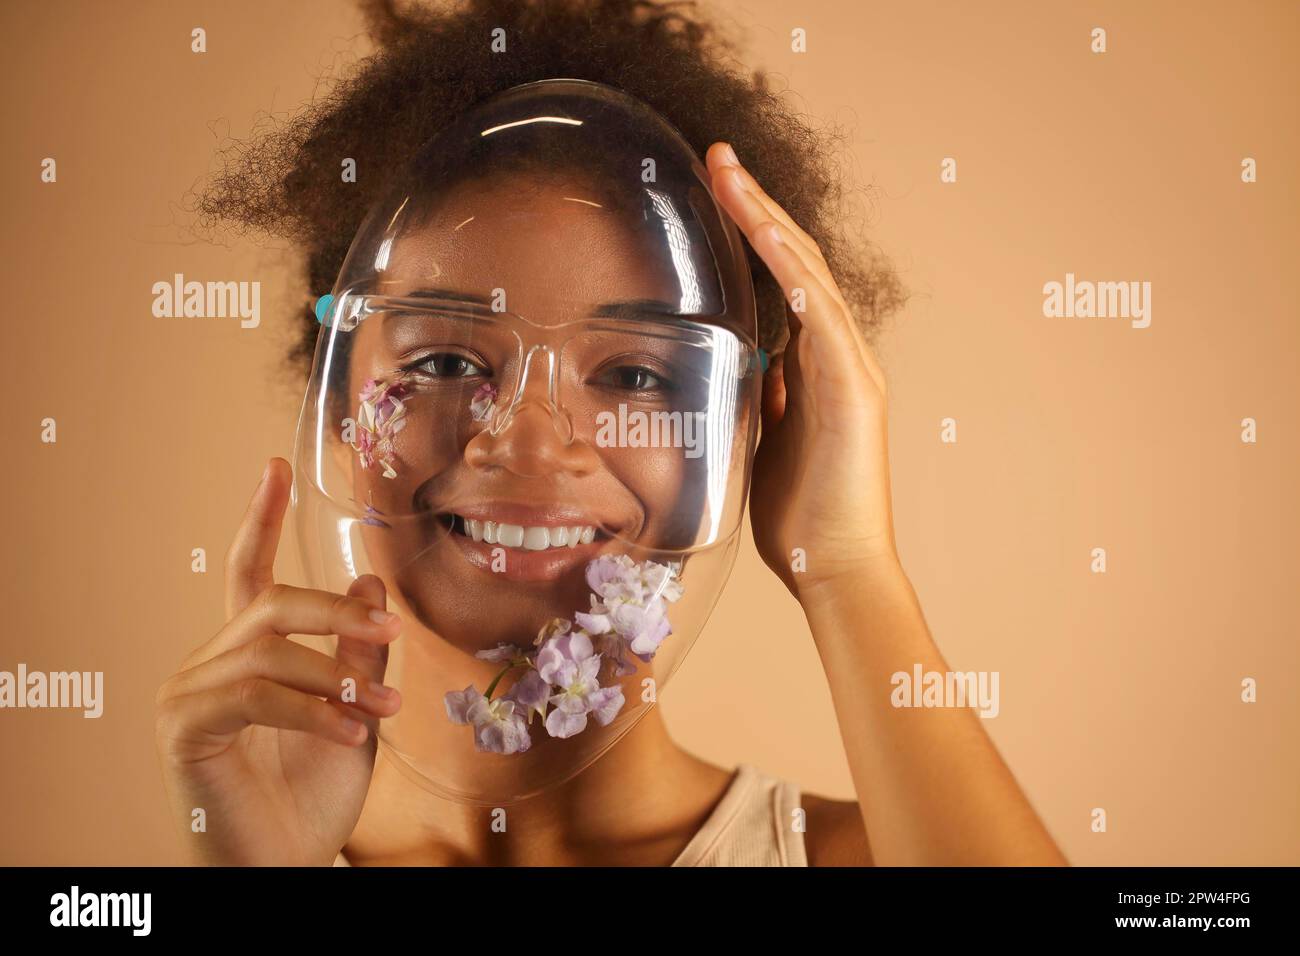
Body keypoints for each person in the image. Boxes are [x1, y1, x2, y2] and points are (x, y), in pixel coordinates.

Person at [155, 0, 1067, 866]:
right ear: (335, 402)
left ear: (741, 429)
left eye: (634, 376)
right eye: (445, 362)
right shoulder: (254, 843)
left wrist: (847, 565)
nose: (530, 442)